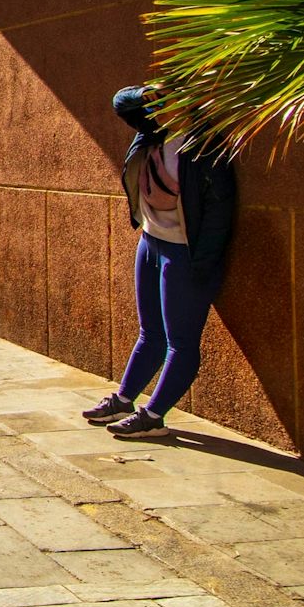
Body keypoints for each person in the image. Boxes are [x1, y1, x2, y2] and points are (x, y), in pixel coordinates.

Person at [83, 85, 239, 438]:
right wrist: (149, 92)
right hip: (151, 242)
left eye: (170, 103)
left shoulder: (204, 149)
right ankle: (124, 399)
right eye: (158, 104)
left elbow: (218, 216)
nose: (159, 110)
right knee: (149, 332)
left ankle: (153, 416)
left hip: (184, 253)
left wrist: (200, 266)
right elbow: (120, 101)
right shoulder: (153, 132)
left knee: (180, 341)